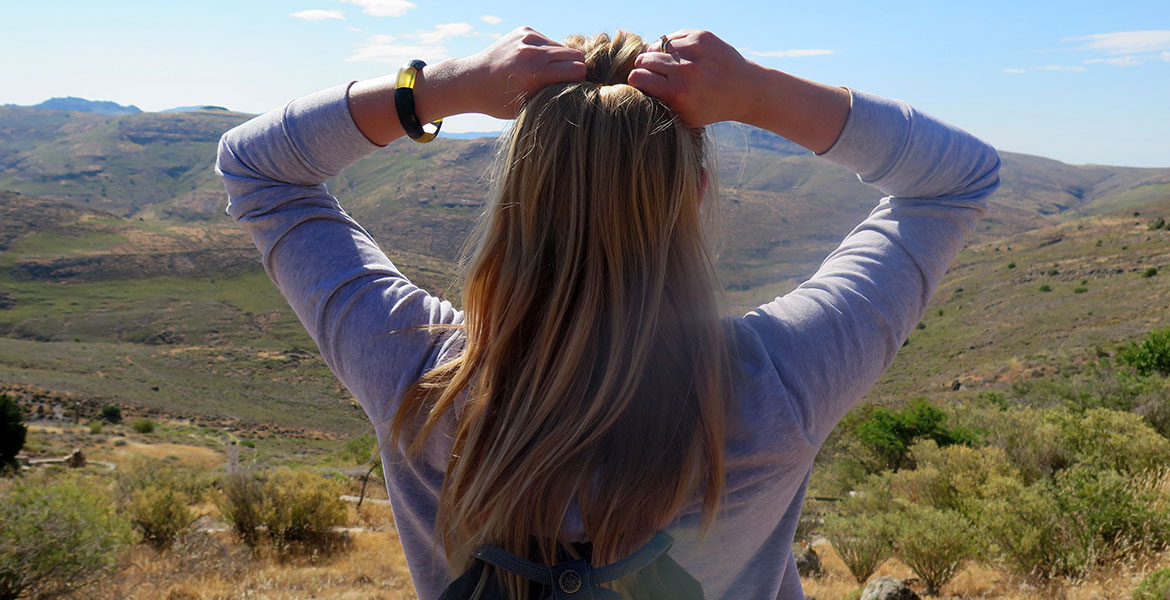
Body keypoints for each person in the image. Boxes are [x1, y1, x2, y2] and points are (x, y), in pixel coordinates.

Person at [216, 27, 1000, 600]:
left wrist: (443, 87)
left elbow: (259, 169)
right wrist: (756, 93)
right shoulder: (779, 384)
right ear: (693, 196)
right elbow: (957, 178)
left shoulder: (420, 378)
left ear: (516, 197)